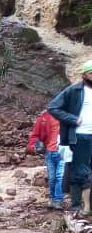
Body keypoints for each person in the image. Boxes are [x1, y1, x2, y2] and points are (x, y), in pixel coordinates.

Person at [48, 60, 92, 216]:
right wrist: (73, 119)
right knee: (80, 170)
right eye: (91, 73)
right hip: (79, 135)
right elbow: (52, 107)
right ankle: (77, 205)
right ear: (84, 75)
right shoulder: (74, 90)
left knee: (84, 170)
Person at [28, 107, 65, 209]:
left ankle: (58, 200)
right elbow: (35, 134)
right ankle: (52, 198)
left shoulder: (69, 116)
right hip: (50, 151)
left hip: (63, 151)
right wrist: (33, 146)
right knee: (52, 178)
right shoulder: (45, 117)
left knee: (60, 176)